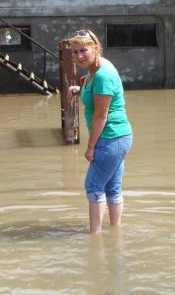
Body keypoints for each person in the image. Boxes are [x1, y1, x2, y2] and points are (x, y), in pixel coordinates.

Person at [67, 29, 133, 234]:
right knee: (112, 188)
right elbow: (96, 92)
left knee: (94, 185)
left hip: (110, 138)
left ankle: (94, 237)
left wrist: (90, 147)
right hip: (121, 137)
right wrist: (80, 90)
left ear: (96, 49)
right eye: (75, 52)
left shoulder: (102, 75)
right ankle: (115, 233)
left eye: (83, 50)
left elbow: (100, 115)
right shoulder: (98, 68)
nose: (79, 56)